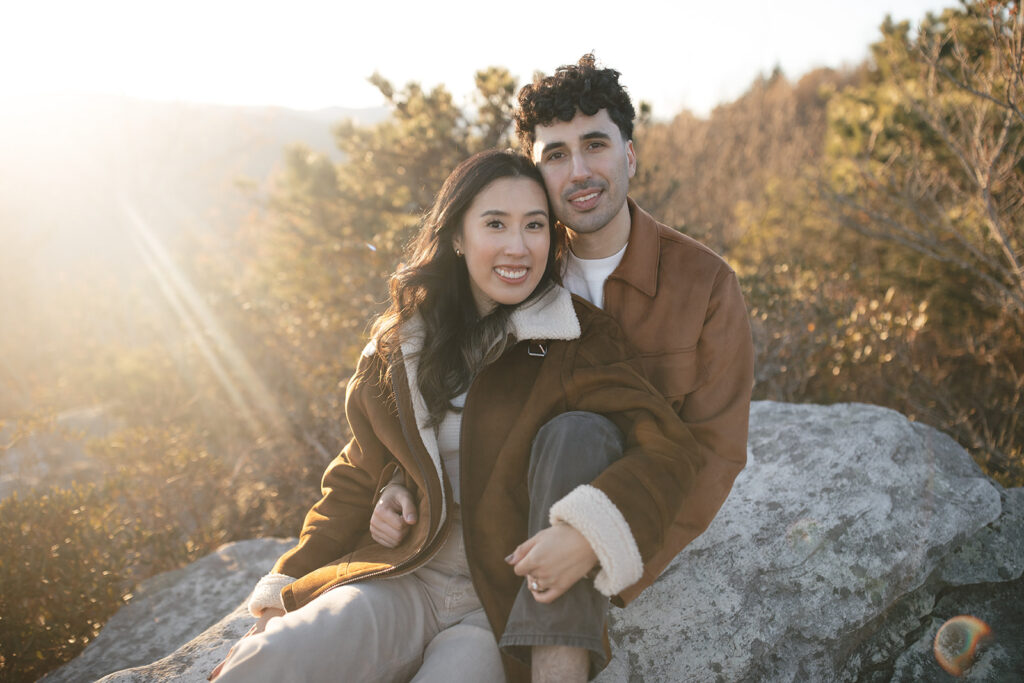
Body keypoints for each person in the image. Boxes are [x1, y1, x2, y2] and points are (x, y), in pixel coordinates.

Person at [209, 150, 702, 683]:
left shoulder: (575, 340)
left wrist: (586, 532)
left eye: (535, 226)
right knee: (271, 662)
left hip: (496, 604)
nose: (518, 246)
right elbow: (356, 471)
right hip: (405, 575)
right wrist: (285, 588)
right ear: (458, 236)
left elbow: (667, 448)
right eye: (496, 224)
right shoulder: (403, 343)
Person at [513, 54, 755, 606]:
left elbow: (716, 452)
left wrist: (608, 558)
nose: (578, 171)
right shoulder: (516, 275)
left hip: (632, 528)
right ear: (537, 175)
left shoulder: (706, 286)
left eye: (595, 145)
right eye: (556, 155)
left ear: (630, 154)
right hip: (517, 533)